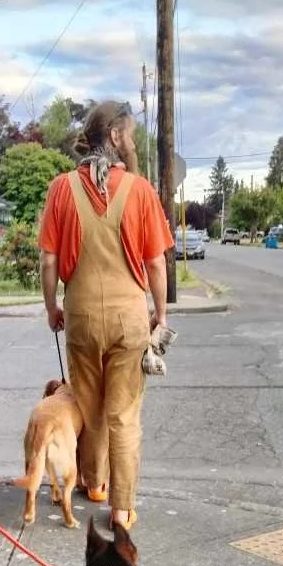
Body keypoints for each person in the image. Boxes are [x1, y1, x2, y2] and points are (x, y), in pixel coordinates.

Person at [38, 99, 174, 530]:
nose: (132, 141)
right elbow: (155, 263)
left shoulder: (61, 188)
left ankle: (93, 483)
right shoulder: (139, 190)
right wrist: (160, 312)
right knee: (124, 413)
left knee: (89, 404)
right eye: (130, 134)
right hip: (127, 317)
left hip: (79, 315)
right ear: (115, 137)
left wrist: (52, 308)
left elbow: (47, 260)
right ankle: (120, 508)